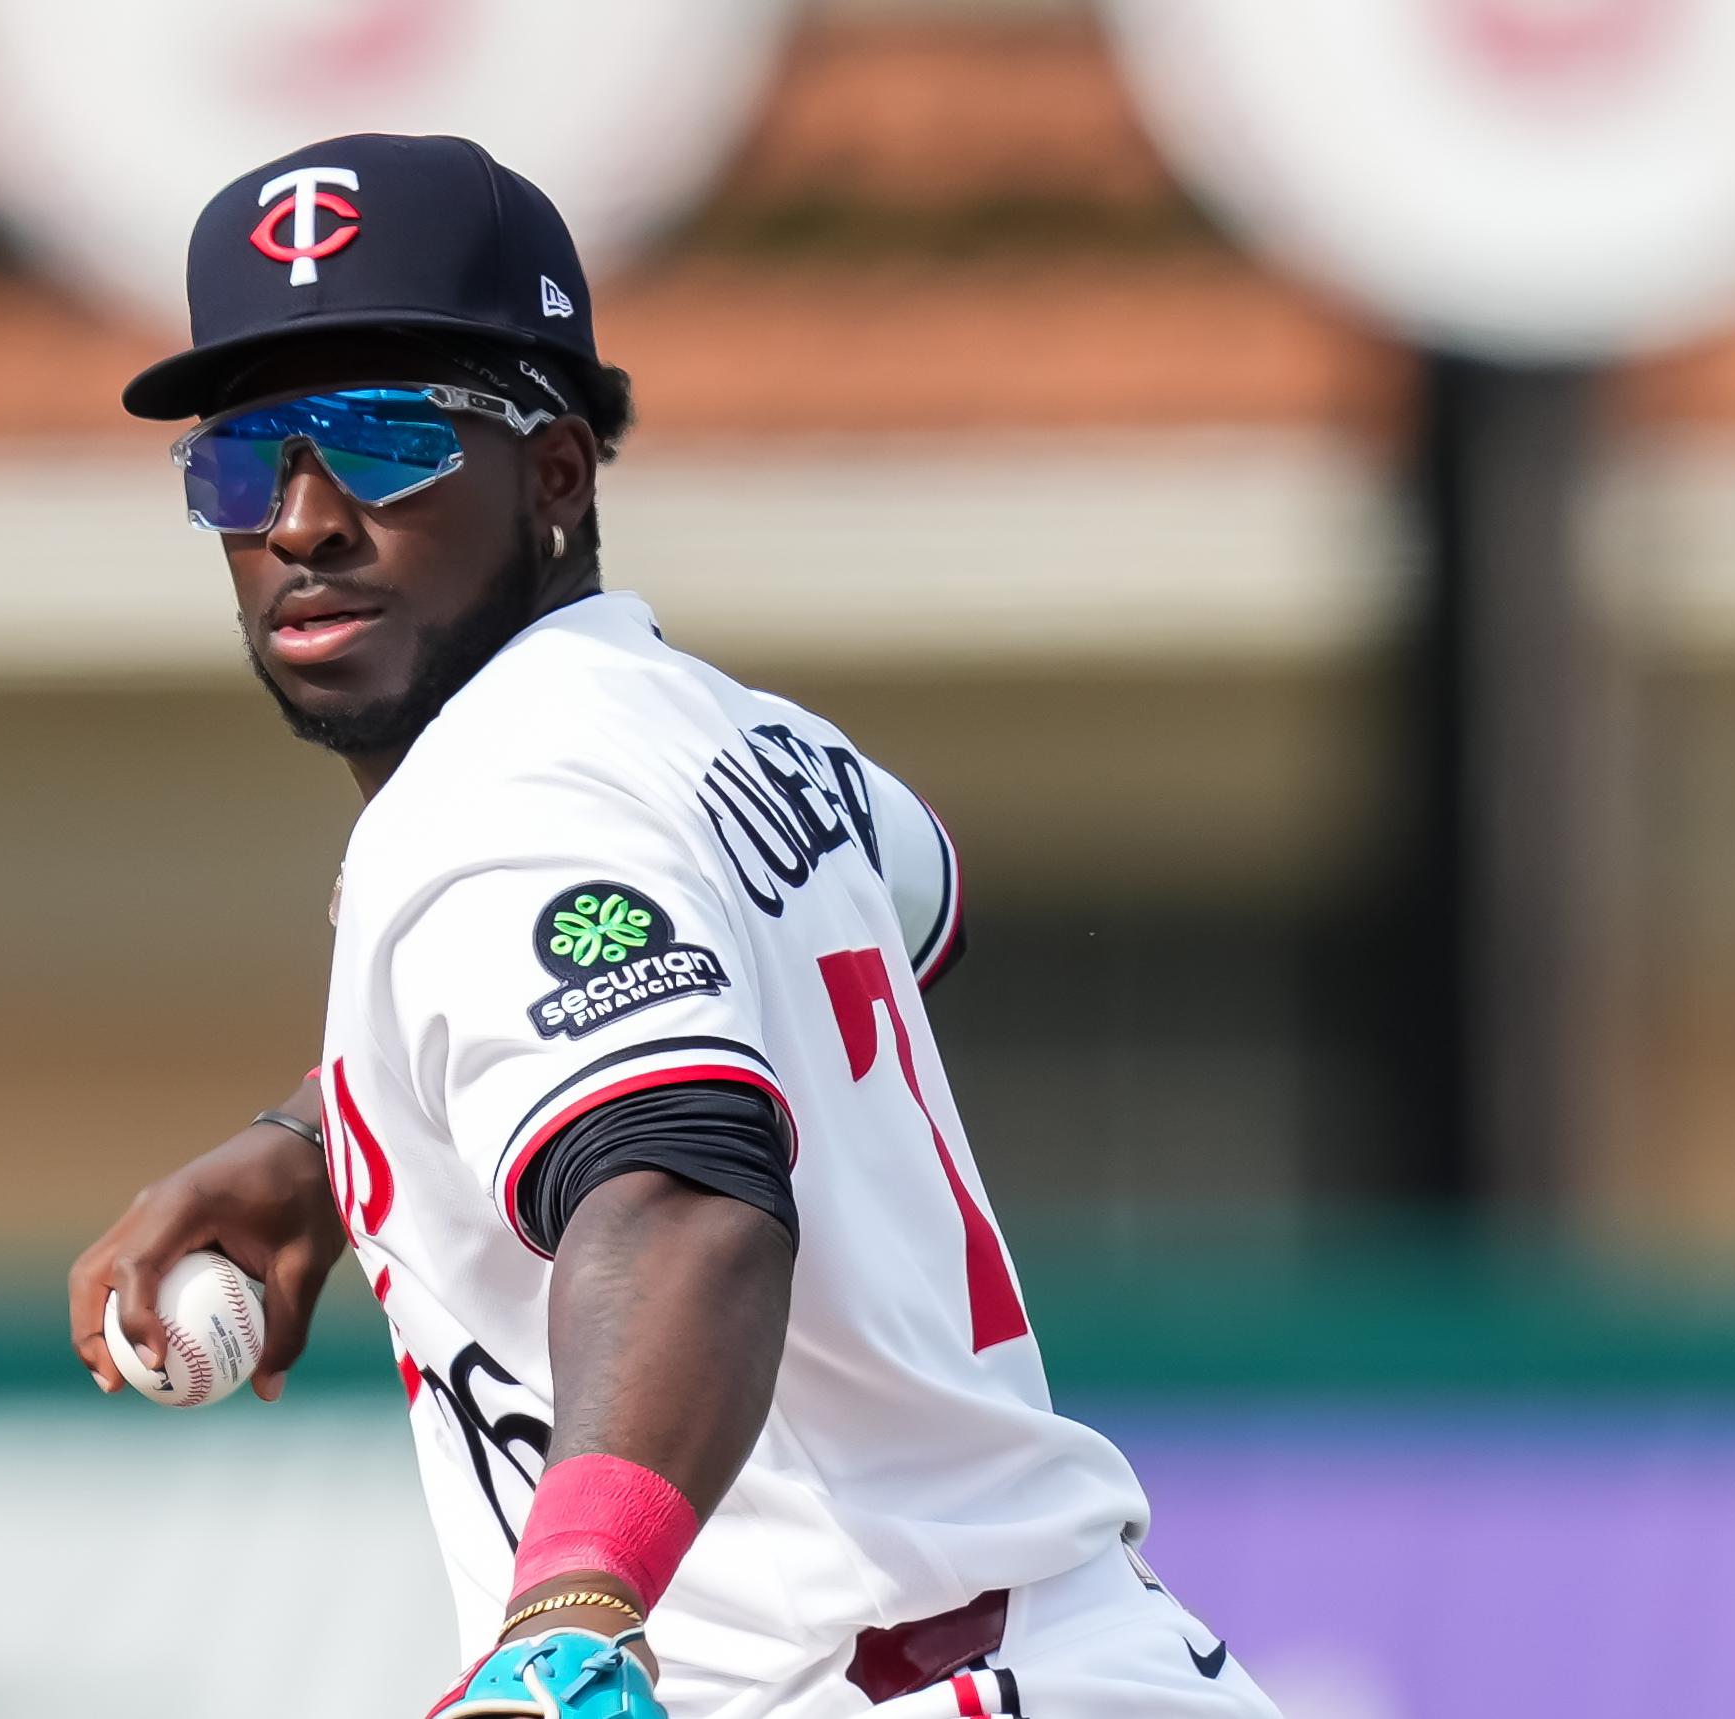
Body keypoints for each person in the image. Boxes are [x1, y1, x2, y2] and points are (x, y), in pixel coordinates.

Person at [66, 133, 1280, 1719]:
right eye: (243, 464)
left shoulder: (494, 804)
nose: (300, 522)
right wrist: (325, 1135)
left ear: (556, 475)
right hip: (1079, 1655)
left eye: (379, 444)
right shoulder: (747, 736)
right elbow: (913, 901)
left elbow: (686, 1192)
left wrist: (576, 1602)